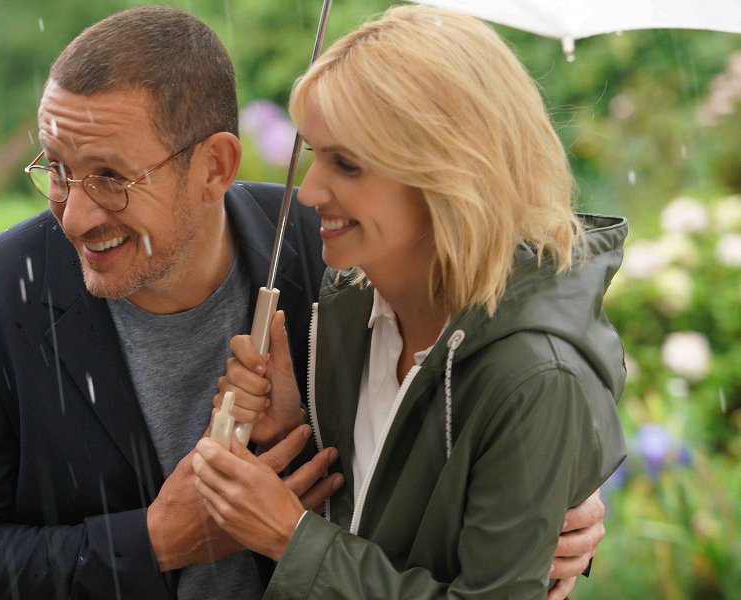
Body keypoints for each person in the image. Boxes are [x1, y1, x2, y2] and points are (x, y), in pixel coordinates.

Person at [0, 5, 608, 600]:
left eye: (111, 177)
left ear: (215, 166)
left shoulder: (332, 255)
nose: (75, 215)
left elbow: (450, 414)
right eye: (58, 169)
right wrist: (153, 541)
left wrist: (537, 496)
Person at [193, 5, 627, 599]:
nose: (310, 191)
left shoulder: (535, 377)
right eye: (313, 154)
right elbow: (384, 515)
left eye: (347, 164)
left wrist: (291, 540)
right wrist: (296, 432)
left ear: (449, 175)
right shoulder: (350, 308)